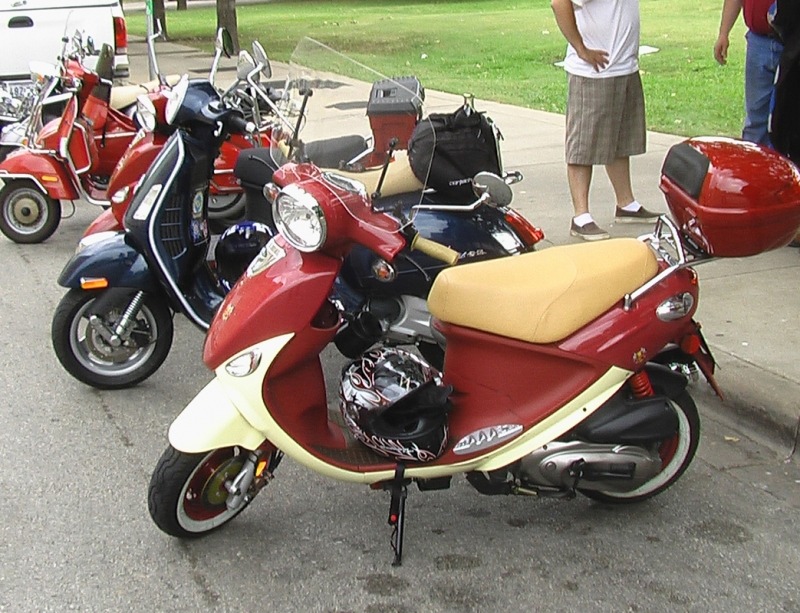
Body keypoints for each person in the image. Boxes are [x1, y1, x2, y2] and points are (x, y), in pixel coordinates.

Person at [551, 0, 658, 241]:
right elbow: (559, 4)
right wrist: (580, 48)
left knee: (621, 139)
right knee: (583, 143)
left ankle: (626, 203)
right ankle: (581, 216)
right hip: (593, 71)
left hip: (623, 66)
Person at [714, 0, 783, 146]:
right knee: (756, 120)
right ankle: (755, 164)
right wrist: (723, 33)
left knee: (789, 120)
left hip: (791, 43)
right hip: (759, 42)